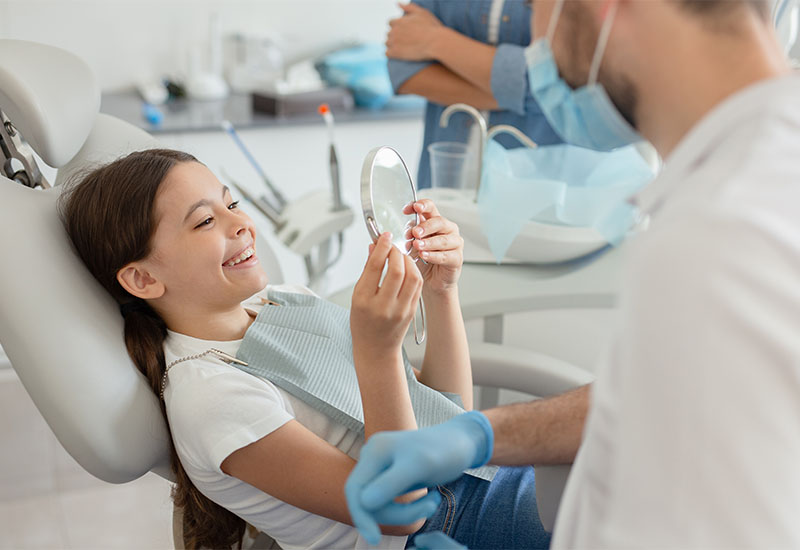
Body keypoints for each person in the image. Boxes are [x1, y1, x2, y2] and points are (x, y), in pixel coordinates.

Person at [347, 0, 800, 547]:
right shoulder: (755, 173)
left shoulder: (714, 237)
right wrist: (483, 434)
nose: (533, 49)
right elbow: (663, 395)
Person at [58, 148, 552, 550]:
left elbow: (443, 414)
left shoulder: (286, 301)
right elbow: (398, 511)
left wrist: (440, 292)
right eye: (205, 222)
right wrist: (376, 354)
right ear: (143, 277)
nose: (241, 224)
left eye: (231, 204)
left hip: (481, 480)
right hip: (442, 528)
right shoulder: (212, 399)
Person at [386, 0, 562, 189]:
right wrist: (515, 91)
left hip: (536, 189)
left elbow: (555, 81)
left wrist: (433, 40)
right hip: (443, 187)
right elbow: (404, 69)